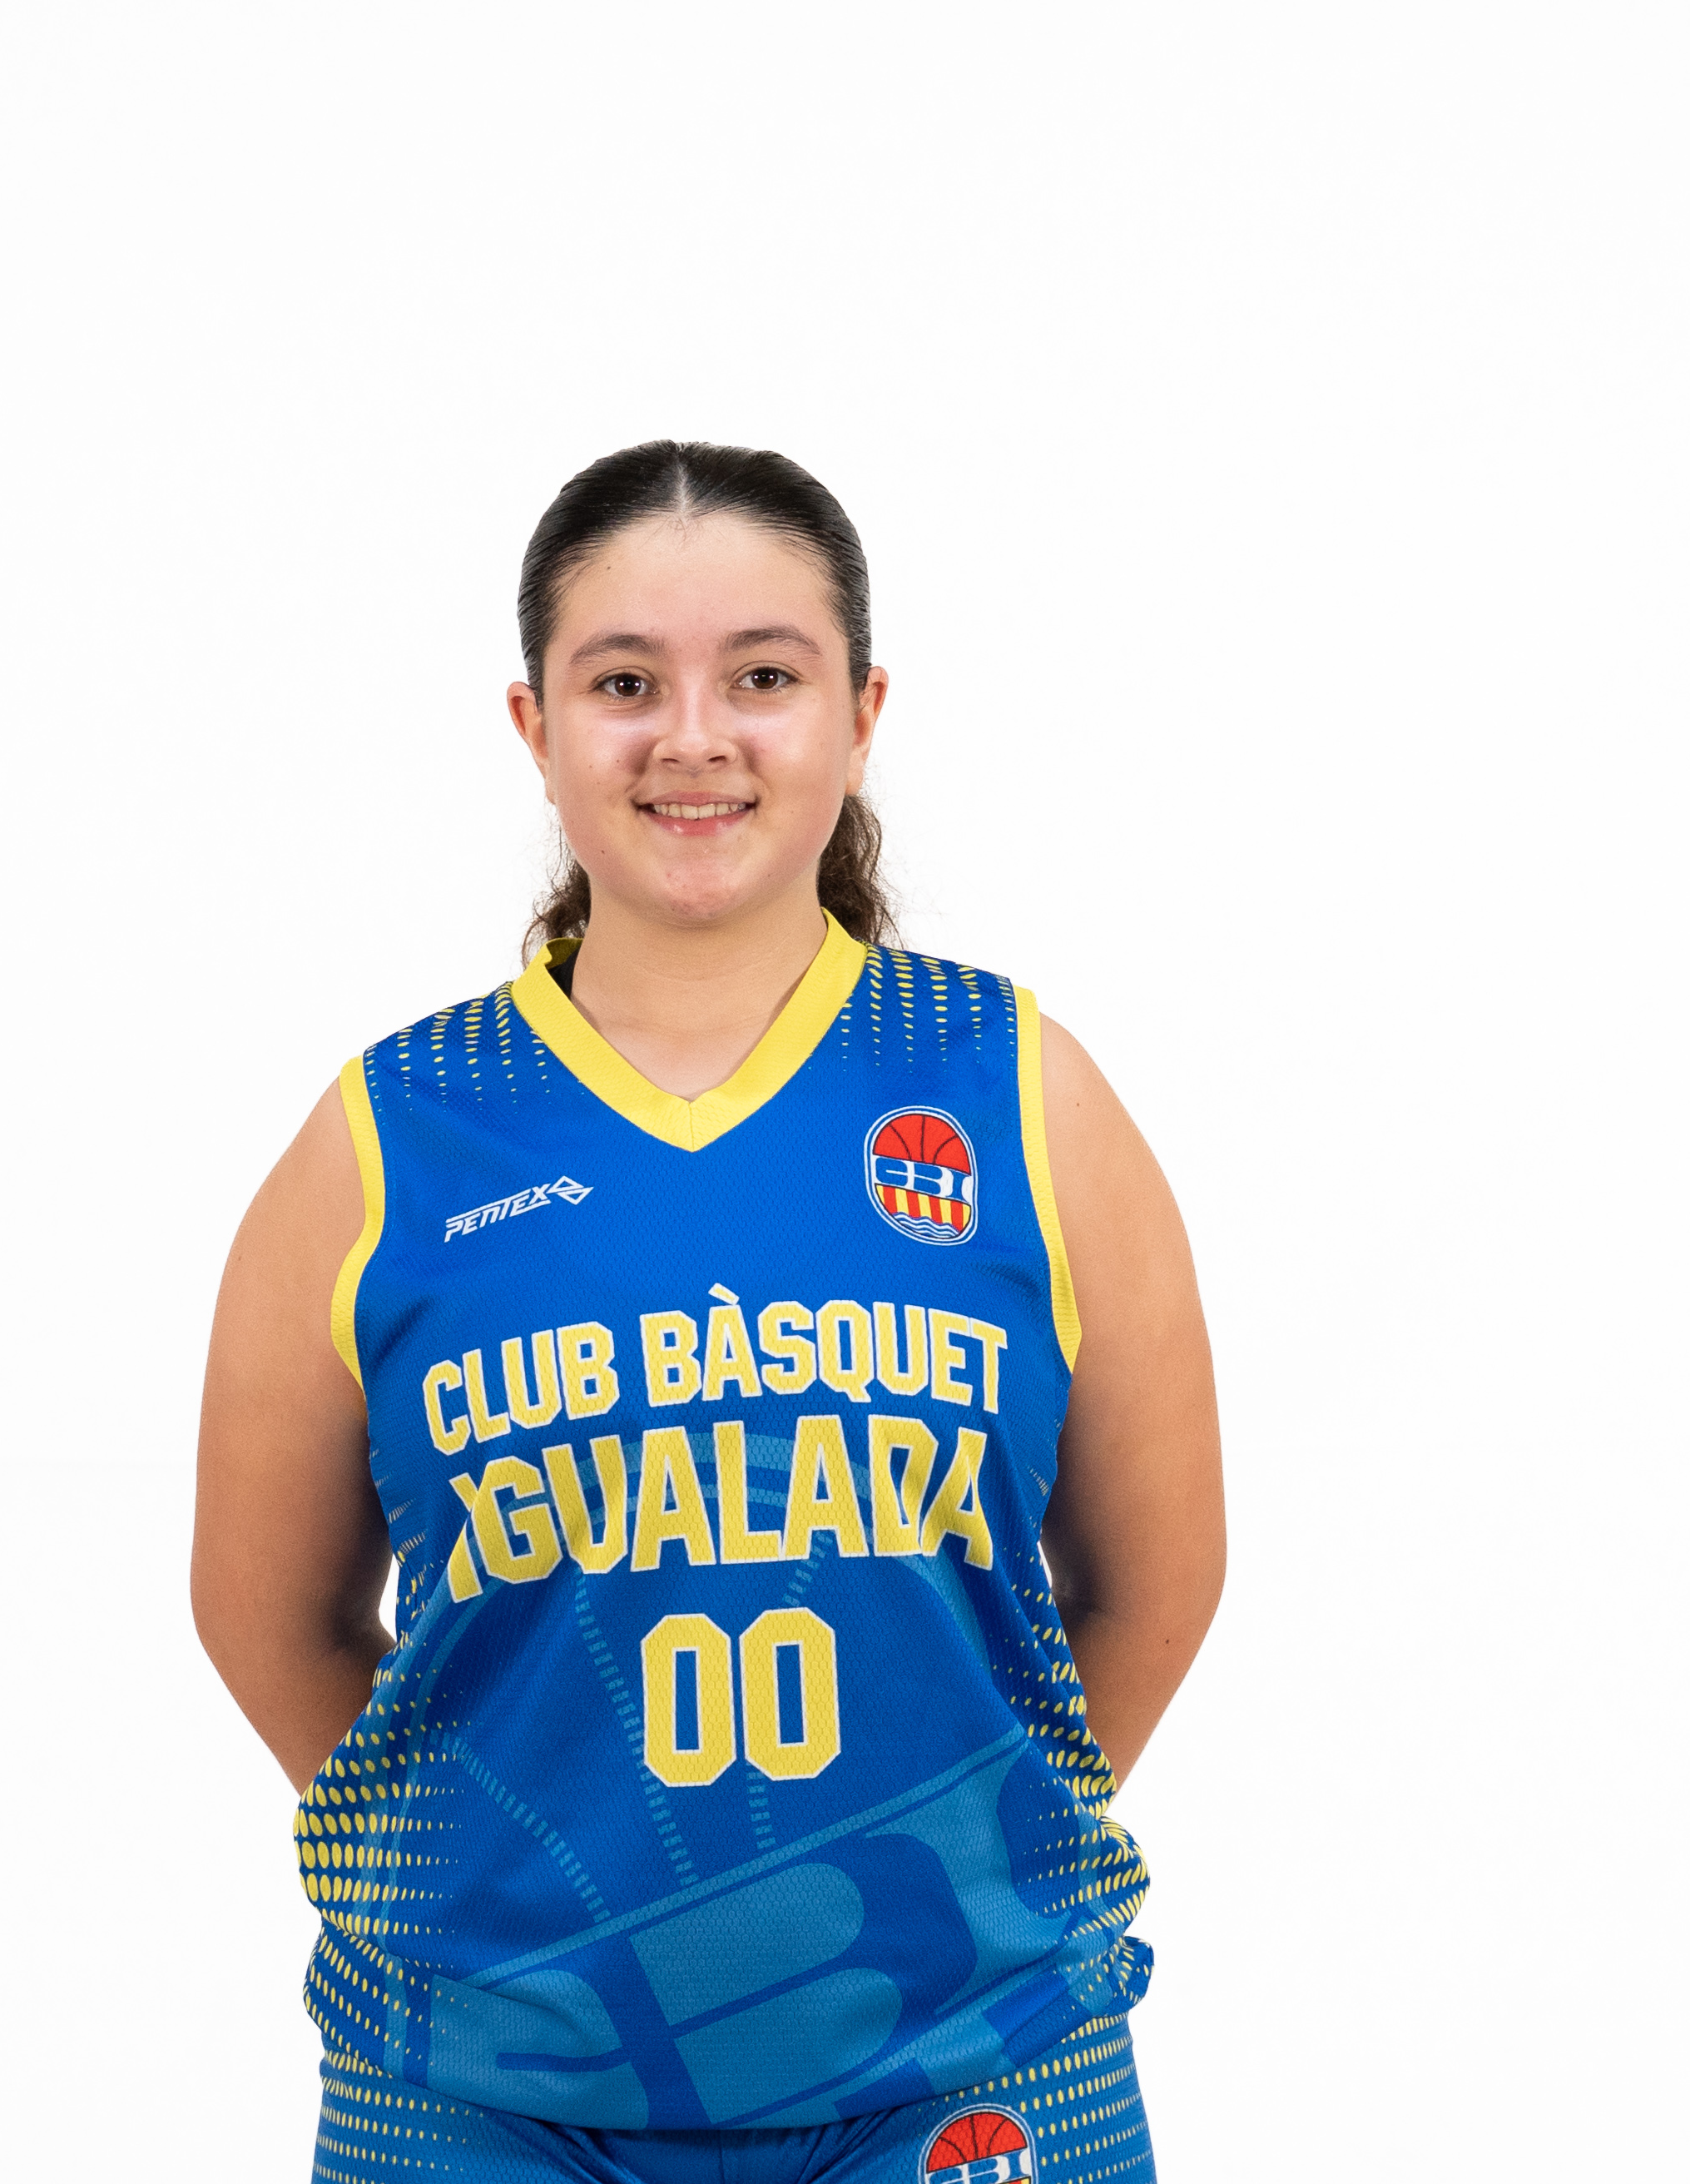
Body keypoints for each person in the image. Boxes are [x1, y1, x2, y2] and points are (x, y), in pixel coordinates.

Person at [194, 442, 1225, 2183]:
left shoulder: (1016, 1092)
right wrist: (498, 1872)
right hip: (485, 2097)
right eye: (623, 684)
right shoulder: (392, 1133)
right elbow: (265, 1614)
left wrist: (955, 1859)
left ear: (860, 714)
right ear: (534, 725)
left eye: (763, 676)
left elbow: (1156, 1584)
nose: (693, 736)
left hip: (969, 2077)